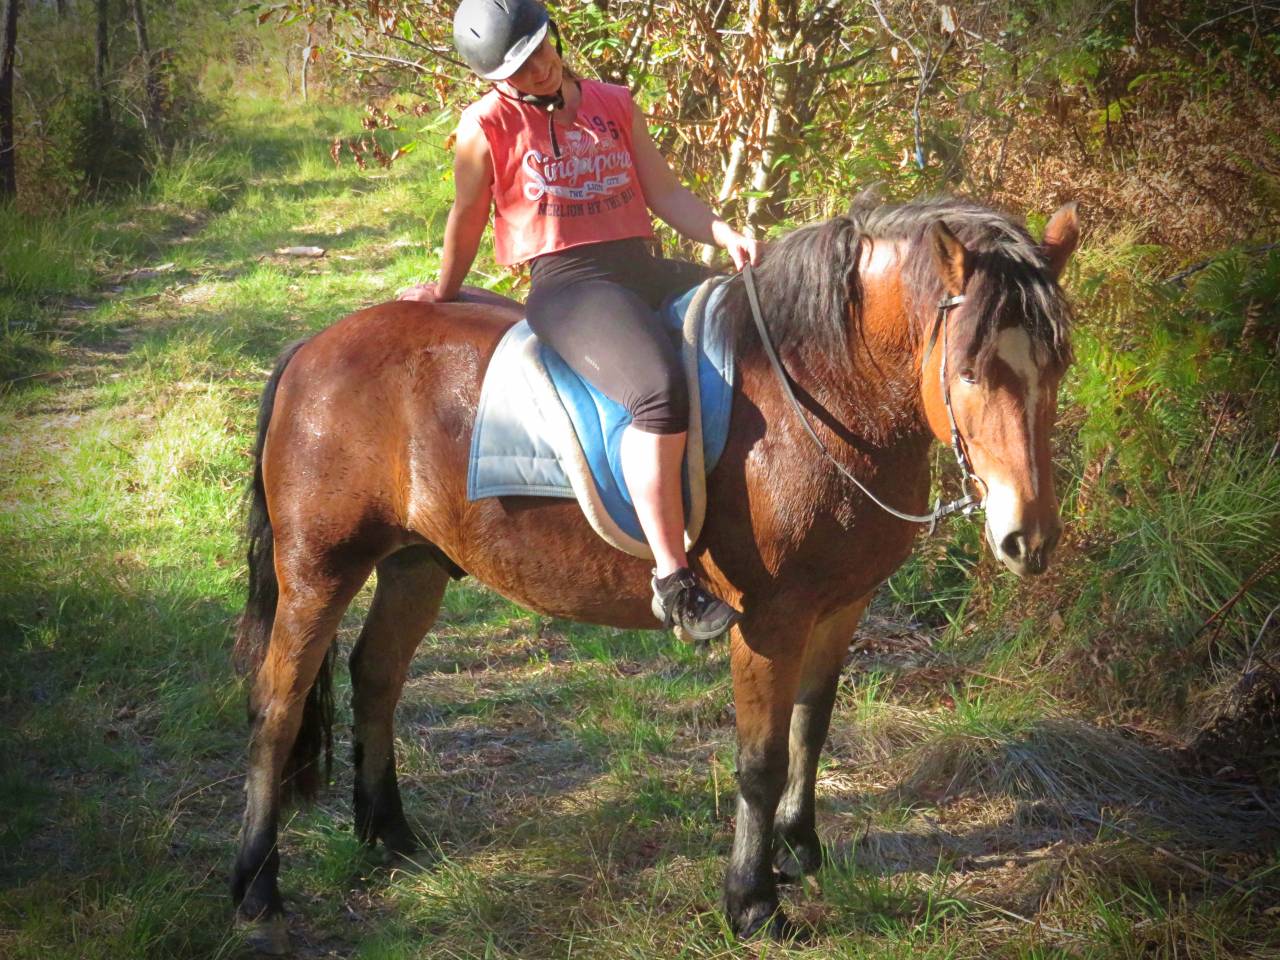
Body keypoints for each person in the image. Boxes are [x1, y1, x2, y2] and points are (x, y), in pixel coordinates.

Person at [399, 0, 758, 642]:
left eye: (540, 51)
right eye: (517, 67)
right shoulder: (485, 126)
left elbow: (665, 194)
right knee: (656, 394)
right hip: (569, 286)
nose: (537, 70)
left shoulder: (615, 102)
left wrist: (721, 231)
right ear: (493, 79)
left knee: (757, 314)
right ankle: (673, 581)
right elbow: (468, 217)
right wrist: (445, 290)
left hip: (639, 264)